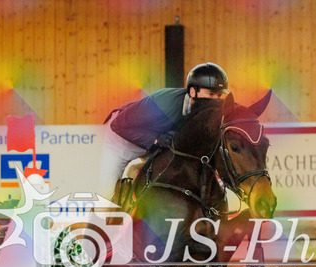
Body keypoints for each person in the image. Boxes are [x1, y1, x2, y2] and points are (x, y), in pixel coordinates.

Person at [98, 62, 229, 196]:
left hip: (155, 146)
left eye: (219, 96)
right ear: (192, 92)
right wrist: (155, 140)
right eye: (211, 94)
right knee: (106, 195)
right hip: (121, 140)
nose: (216, 101)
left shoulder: (204, 114)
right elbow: (119, 125)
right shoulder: (164, 103)